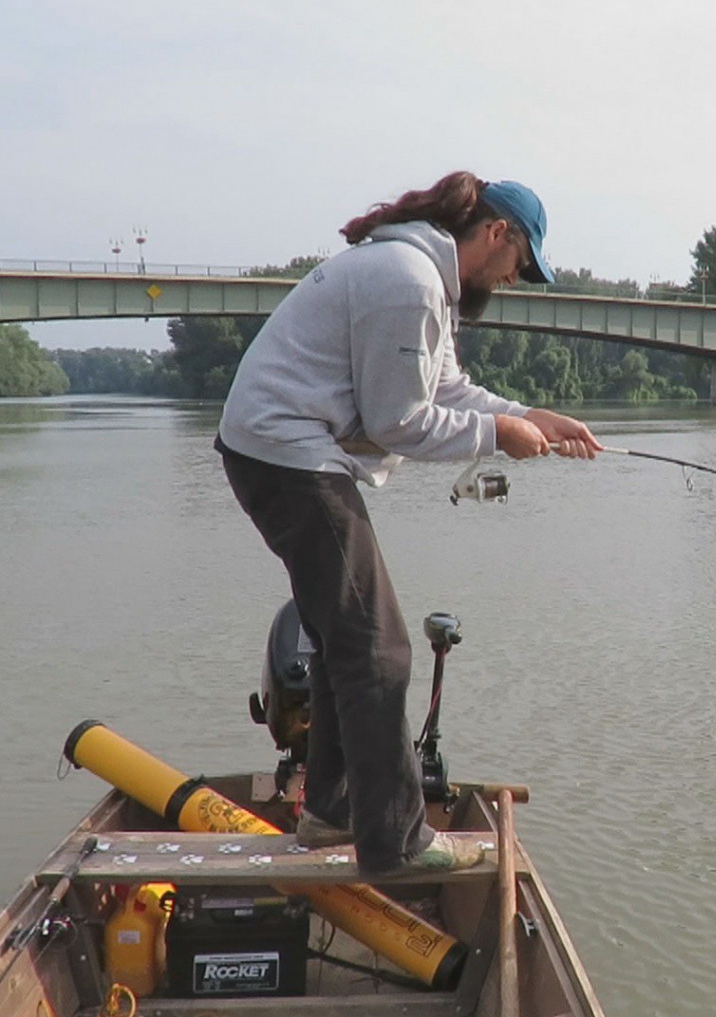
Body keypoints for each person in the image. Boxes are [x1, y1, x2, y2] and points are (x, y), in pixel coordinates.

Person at [215, 172, 602, 876]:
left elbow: (444, 388)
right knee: (379, 645)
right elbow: (401, 421)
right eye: (520, 264)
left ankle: (330, 811)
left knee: (345, 637)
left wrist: (527, 415)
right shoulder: (410, 281)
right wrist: (499, 437)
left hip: (283, 451)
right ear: (495, 235)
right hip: (285, 454)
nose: (515, 280)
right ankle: (395, 842)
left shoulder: (423, 279)